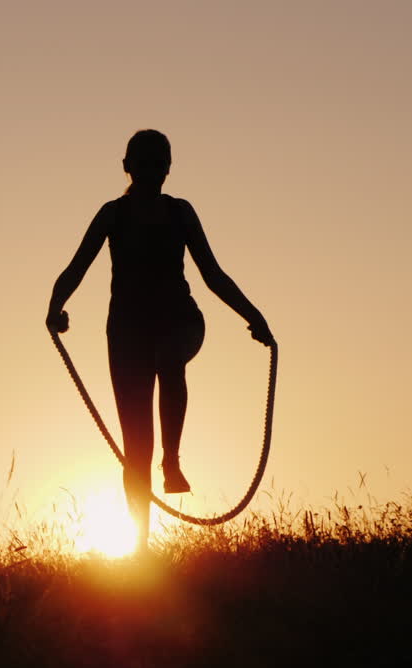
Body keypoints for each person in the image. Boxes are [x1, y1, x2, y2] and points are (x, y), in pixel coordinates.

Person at [46, 129, 275, 550]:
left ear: (168, 169)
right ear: (127, 167)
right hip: (127, 334)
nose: (153, 171)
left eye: (160, 164)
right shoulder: (112, 215)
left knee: (169, 359)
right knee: (135, 449)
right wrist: (55, 306)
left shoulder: (181, 213)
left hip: (181, 321)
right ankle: (140, 551)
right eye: (145, 163)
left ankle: (172, 459)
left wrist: (254, 317)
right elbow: (76, 266)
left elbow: (212, 274)